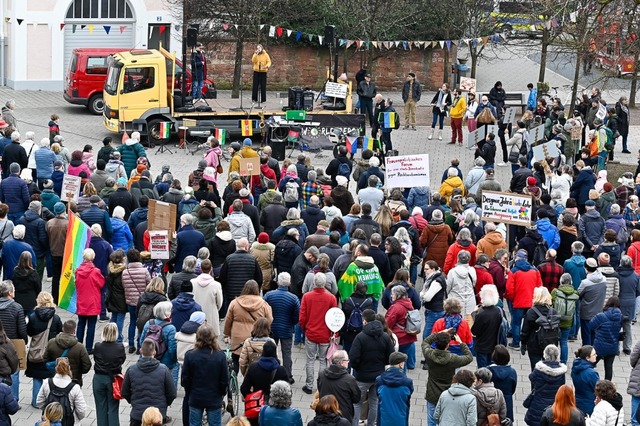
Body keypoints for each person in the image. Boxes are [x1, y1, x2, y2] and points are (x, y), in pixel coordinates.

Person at [350, 309, 394, 426]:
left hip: (361, 377)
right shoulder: (385, 336)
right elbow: (391, 355)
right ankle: (371, 424)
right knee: (374, 402)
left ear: (364, 321)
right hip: (378, 376)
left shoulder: (360, 337)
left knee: (357, 403)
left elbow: (353, 358)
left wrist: (357, 367)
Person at [422, 331, 474, 426]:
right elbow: (469, 357)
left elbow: (425, 342)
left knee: (431, 420)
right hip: (449, 394)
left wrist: (438, 334)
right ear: (447, 345)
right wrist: (461, 343)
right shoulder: (453, 359)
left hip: (432, 393)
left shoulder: (429, 354)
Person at [121, 339, 177, 426]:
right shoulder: (164, 370)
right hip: (157, 415)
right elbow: (172, 393)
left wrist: (134, 402)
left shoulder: (131, 369)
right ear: (154, 352)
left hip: (137, 415)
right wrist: (165, 403)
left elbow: (124, 392)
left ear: (140, 350)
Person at [182, 324, 228, 426]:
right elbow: (224, 380)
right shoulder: (220, 356)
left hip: (196, 397)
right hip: (214, 398)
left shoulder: (190, 355)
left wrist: (189, 392)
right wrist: (221, 393)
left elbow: (185, 378)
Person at [299, 272, 337, 394]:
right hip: (325, 334)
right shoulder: (331, 298)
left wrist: (305, 328)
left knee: (310, 360)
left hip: (311, 333)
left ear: (314, 282)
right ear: (325, 283)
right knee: (323, 360)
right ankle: (321, 386)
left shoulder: (307, 297)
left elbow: (302, 317)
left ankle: (309, 385)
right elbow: (333, 317)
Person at [224, 280, 272, 373]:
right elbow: (269, 320)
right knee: (253, 361)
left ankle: (233, 382)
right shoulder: (263, 304)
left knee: (235, 360)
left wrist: (227, 334)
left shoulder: (235, 302)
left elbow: (228, 320)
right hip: (255, 337)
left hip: (237, 337)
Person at [26, 292, 63, 408]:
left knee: (37, 377)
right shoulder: (55, 318)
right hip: (51, 352)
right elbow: (59, 333)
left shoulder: (33, 317)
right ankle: (51, 402)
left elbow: (29, 332)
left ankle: (36, 402)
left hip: (36, 352)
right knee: (52, 378)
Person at [263, 272, 299, 383]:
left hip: (272, 329)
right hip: (286, 329)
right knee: (287, 354)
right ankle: (288, 376)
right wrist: (291, 324)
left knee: (270, 352)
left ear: (278, 282)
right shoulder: (293, 298)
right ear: (289, 284)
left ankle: (270, 374)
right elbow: (296, 316)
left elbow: (263, 311)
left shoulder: (269, 295)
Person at [36, 357, 87, 426]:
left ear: (55, 368)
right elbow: (82, 411)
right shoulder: (75, 388)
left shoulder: (47, 383)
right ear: (69, 368)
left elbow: (39, 402)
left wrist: (49, 413)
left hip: (48, 422)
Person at [92, 323, 126, 426]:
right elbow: (122, 360)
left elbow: (95, 358)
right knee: (113, 407)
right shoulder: (120, 347)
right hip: (113, 379)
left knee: (100, 407)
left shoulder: (98, 346)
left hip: (98, 378)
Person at [524, 345, 567, 426]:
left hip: (538, 402)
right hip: (553, 405)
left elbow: (532, 378)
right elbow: (562, 385)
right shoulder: (561, 372)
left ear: (545, 355)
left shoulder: (539, 369)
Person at [521, 287, 560, 371]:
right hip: (550, 344)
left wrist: (523, 344)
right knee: (548, 369)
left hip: (534, 345)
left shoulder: (531, 312)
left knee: (535, 369)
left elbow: (525, 331)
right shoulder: (553, 312)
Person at [240, 340, 288, 408]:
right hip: (275, 408)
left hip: (257, 406)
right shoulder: (281, 370)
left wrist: (252, 398)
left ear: (263, 351)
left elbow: (244, 388)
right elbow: (287, 390)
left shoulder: (254, 368)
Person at [316, 350, 360, 424]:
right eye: (347, 360)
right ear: (342, 362)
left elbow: (320, 389)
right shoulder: (349, 379)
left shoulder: (322, 374)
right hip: (343, 417)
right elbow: (356, 398)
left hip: (323, 414)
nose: (348, 362)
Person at [74, 248, 104, 354]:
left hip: (82, 301)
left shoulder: (78, 271)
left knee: (81, 324)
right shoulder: (96, 271)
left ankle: (78, 346)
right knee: (91, 326)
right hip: (92, 302)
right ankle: (88, 348)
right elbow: (101, 284)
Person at [385, 285, 418, 370]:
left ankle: (399, 379)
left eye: (392, 294)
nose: (391, 296)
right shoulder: (408, 303)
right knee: (403, 361)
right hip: (408, 336)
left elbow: (387, 323)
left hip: (400, 337)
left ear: (398, 295)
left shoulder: (396, 307)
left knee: (398, 362)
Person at [590, 296, 623, 381]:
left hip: (599, 346)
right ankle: (607, 387)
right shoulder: (620, 317)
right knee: (608, 367)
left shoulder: (601, 316)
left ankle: (589, 380)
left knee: (590, 365)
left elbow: (591, 325)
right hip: (613, 346)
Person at [471, 285, 503, 368]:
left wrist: (474, 313)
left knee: (482, 370)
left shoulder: (481, 314)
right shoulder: (499, 311)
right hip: (494, 344)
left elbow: (474, 331)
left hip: (482, 346)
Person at [578, 258, 608, 345]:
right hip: (598, 312)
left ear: (586, 269)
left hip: (586, 313)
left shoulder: (585, 283)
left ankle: (586, 354)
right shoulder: (604, 279)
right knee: (595, 335)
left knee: (586, 335)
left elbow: (578, 294)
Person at [488, 345, 517, 421]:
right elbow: (513, 388)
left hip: (491, 401)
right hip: (506, 400)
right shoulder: (512, 372)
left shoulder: (488, 371)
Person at [571, 345, 599, 416]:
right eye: (594, 354)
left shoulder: (575, 368)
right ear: (587, 358)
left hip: (577, 401)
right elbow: (598, 389)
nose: (596, 355)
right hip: (590, 404)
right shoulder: (592, 373)